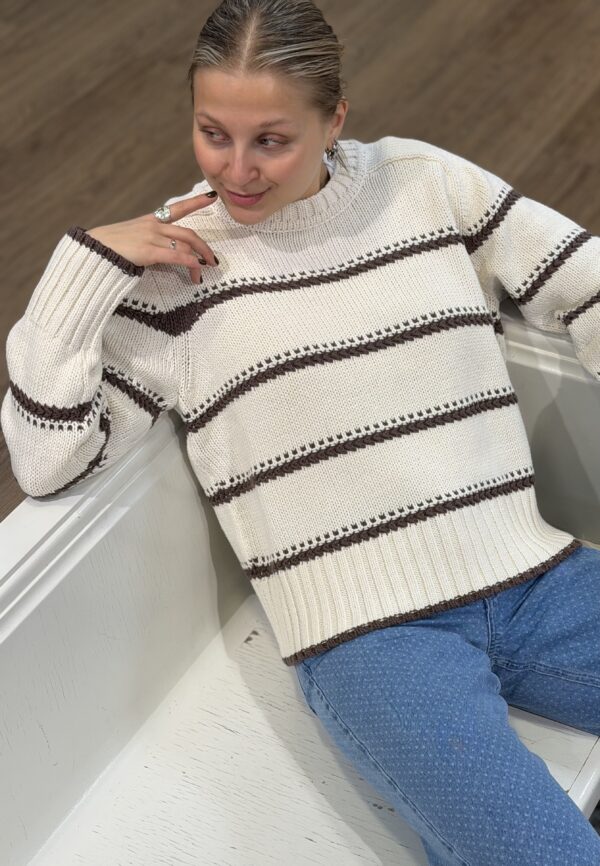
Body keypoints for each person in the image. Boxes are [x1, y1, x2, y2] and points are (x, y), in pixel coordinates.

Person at [2, 0, 600, 863]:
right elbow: (47, 460)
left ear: (335, 120)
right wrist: (80, 267)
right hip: (374, 641)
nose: (237, 170)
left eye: (272, 141)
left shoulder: (425, 183)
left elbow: (584, 281)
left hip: (536, 578)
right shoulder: (176, 273)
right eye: (213, 133)